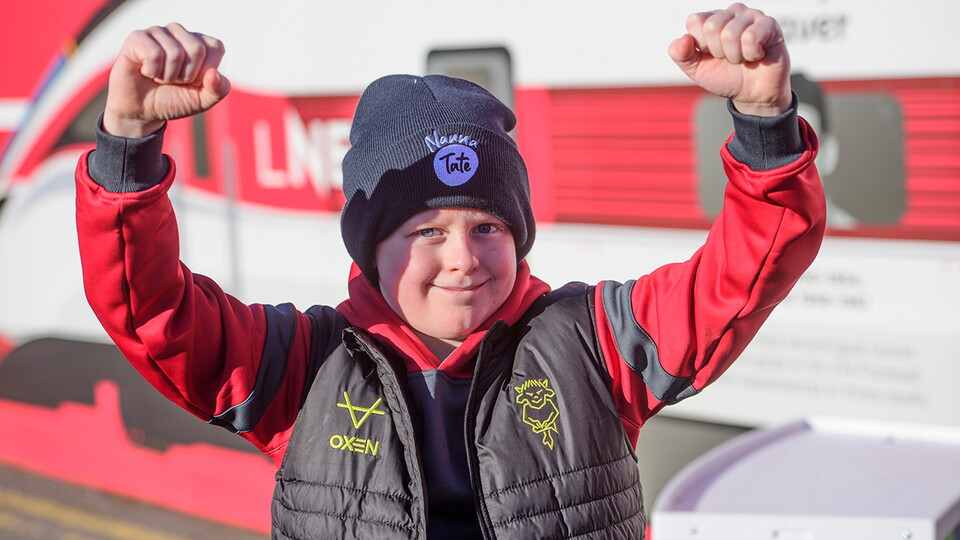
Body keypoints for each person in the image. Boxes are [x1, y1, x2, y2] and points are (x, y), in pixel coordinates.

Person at [75, 3, 825, 539]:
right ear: (370, 246)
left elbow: (750, 266)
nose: (464, 259)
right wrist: (129, 147)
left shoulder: (596, 345)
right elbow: (151, 312)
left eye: (488, 226)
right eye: (427, 229)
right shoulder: (302, 364)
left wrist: (765, 123)